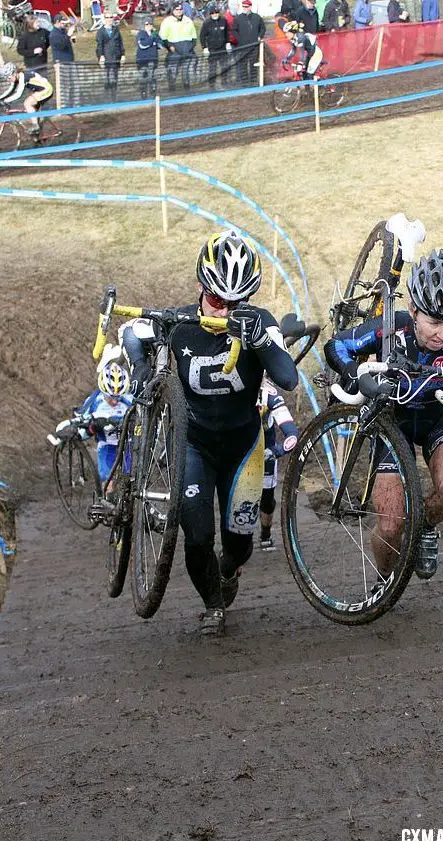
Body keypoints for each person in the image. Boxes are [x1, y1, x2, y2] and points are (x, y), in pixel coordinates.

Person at [122, 230, 298, 636]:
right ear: (202, 287)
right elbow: (131, 332)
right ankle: (212, 604)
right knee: (198, 535)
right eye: (218, 301)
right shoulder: (179, 324)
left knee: (238, 544)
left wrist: (260, 341)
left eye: (236, 304)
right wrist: (140, 369)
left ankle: (229, 573)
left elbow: (287, 378)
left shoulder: (260, 321)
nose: (224, 313)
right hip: (194, 444)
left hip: (243, 446)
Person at [324, 249, 443, 584]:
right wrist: (354, 373)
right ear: (413, 311)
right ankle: (384, 580)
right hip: (394, 419)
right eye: (434, 322)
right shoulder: (393, 328)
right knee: (391, 525)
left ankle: (423, 525)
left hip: (441, 417)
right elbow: (337, 346)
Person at [257, 376, 299, 552]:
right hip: (239, 452)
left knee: (266, 500)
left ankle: (265, 533)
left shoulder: (269, 395)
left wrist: (276, 451)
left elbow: (293, 436)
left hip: (265, 453)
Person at [0, 61, 53, 135]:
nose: (8, 80)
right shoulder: (16, 77)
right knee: (33, 114)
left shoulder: (23, 76)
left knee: (27, 103)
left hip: (46, 90)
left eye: (9, 78)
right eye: (6, 78)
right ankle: (38, 137)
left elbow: (19, 94)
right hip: (39, 91)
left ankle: (36, 126)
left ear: (14, 73)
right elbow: (10, 90)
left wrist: (6, 101)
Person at [158, 2, 197, 92]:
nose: (179, 12)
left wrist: (191, 47)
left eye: (180, 10)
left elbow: (194, 37)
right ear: (173, 10)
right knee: (172, 72)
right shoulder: (167, 21)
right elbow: (163, 37)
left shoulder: (188, 20)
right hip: (174, 52)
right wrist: (169, 47)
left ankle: (187, 90)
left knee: (186, 73)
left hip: (187, 50)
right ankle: (172, 90)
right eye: (177, 10)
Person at [233, 0, 266, 86]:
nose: (244, 8)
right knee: (243, 64)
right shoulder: (238, 18)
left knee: (253, 64)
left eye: (246, 7)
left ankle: (253, 81)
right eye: (243, 6)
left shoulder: (257, 17)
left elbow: (263, 28)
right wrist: (239, 40)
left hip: (254, 45)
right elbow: (234, 30)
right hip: (242, 46)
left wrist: (259, 36)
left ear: (250, 7)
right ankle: (244, 83)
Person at [199, 3, 231, 89]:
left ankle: (224, 84)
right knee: (212, 69)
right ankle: (211, 86)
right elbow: (202, 36)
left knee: (224, 68)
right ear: (210, 14)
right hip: (212, 49)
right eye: (212, 13)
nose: (215, 14)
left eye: (216, 12)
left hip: (223, 49)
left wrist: (228, 43)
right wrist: (204, 47)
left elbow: (227, 32)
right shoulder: (206, 23)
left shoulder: (223, 20)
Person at [96, 12, 125, 99]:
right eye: (107, 17)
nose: (109, 19)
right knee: (107, 79)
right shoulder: (100, 32)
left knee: (115, 79)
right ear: (104, 19)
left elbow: (121, 43)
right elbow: (99, 45)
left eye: (111, 17)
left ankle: (114, 98)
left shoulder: (116, 30)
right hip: (106, 59)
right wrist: (100, 56)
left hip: (116, 58)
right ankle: (107, 98)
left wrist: (123, 55)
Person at [136, 16, 164, 98]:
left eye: (150, 24)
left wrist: (157, 40)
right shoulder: (141, 34)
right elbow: (143, 45)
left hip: (153, 59)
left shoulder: (155, 34)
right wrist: (152, 39)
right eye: (147, 24)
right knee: (143, 78)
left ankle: (153, 93)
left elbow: (161, 45)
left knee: (152, 77)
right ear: (144, 26)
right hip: (142, 60)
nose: (149, 26)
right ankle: (143, 94)